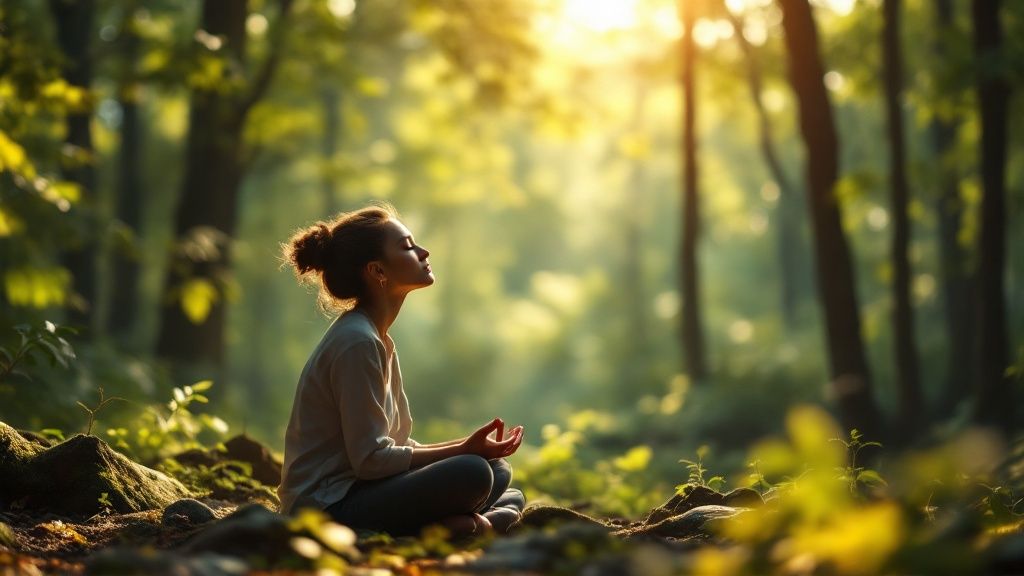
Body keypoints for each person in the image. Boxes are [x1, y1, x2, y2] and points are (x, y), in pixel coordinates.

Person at [278, 204, 526, 537]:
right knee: (474, 474)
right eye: (408, 246)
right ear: (378, 271)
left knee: (497, 471)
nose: (424, 252)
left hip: (363, 490)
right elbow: (371, 461)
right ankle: (471, 526)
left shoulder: (376, 338)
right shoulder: (357, 342)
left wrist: (470, 447)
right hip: (328, 506)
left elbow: (396, 446)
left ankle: (464, 525)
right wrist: (464, 450)